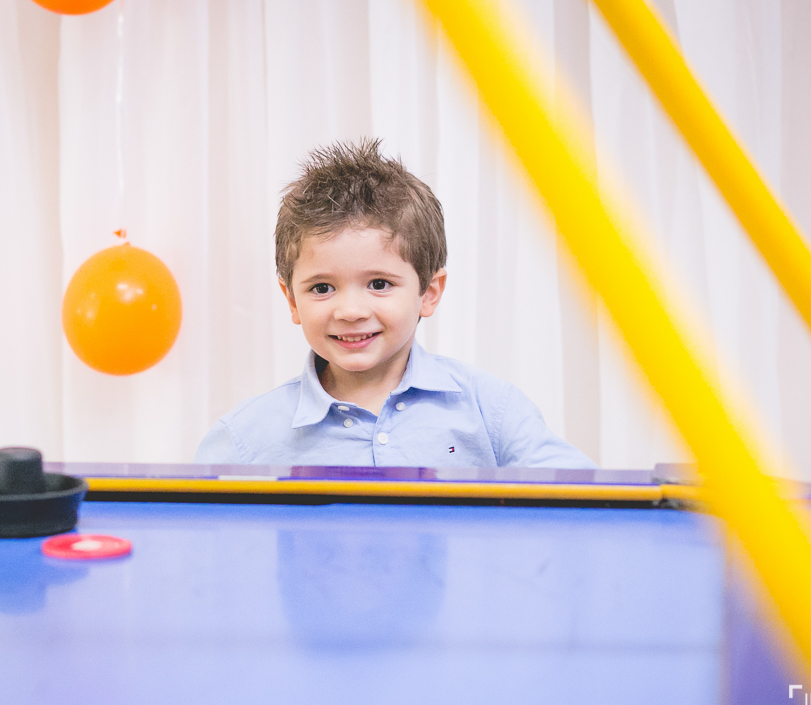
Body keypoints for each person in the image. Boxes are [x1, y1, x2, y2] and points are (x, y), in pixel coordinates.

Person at [195, 139, 595, 468]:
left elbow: (588, 507)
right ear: (292, 300)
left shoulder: (491, 411)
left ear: (429, 292)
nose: (350, 311)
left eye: (379, 284)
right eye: (322, 288)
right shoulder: (244, 441)